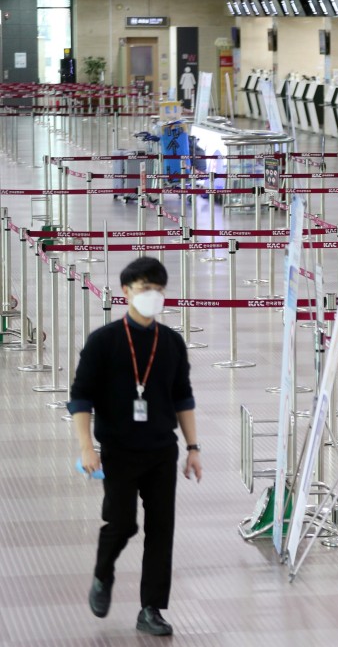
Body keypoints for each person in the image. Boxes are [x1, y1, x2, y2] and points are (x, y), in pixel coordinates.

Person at [70, 256, 201, 637]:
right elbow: (80, 398)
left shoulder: (172, 343)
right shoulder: (104, 342)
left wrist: (193, 447)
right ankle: (103, 572)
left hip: (162, 449)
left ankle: (151, 609)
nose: (152, 297)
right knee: (122, 523)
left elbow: (183, 397)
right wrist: (86, 447)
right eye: (145, 289)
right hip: (119, 450)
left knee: (162, 529)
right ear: (126, 292)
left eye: (158, 290)